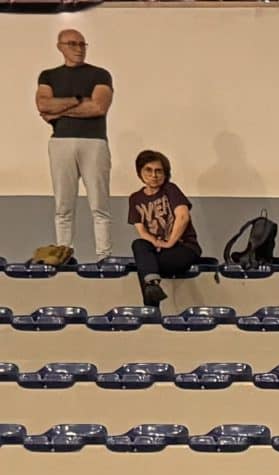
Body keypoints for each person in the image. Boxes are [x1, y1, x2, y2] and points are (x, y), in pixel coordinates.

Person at [34, 27, 113, 263]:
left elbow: (98, 107)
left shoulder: (100, 74)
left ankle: (104, 256)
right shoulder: (48, 76)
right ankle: (63, 253)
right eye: (72, 44)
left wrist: (60, 110)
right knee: (63, 205)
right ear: (60, 47)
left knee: (99, 204)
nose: (78, 49)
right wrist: (79, 100)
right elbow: (43, 105)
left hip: (94, 142)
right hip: (61, 142)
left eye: (82, 44)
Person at [125, 148, 193, 308]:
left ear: (165, 173)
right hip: (158, 250)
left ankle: (151, 309)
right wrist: (157, 243)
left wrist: (169, 243)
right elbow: (142, 231)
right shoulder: (135, 198)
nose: (153, 175)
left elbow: (183, 217)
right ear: (140, 172)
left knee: (145, 266)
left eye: (158, 171)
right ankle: (152, 286)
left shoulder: (171, 189)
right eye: (148, 170)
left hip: (182, 248)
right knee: (139, 245)